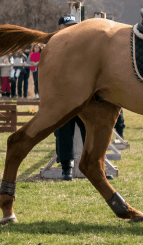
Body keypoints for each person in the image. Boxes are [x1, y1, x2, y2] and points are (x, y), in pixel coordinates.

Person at [54, 14, 86, 181]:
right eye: (68, 26)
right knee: (63, 132)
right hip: (63, 98)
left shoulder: (84, 46)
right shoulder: (53, 47)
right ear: (59, 28)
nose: (71, 29)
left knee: (92, 131)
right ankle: (67, 168)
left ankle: (97, 166)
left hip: (83, 97)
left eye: (73, 25)